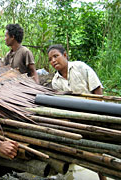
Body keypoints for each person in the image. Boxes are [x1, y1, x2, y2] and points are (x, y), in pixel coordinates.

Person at [48, 44, 106, 180]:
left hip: (95, 115)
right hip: (75, 119)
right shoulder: (55, 81)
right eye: (50, 59)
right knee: (77, 149)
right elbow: (62, 104)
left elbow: (97, 90)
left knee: (98, 152)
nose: (53, 61)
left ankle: (102, 177)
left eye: (56, 56)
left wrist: (98, 115)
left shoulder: (80, 67)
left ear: (65, 55)